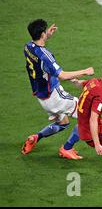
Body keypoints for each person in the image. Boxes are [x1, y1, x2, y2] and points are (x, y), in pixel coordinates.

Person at [22, 19, 94, 159]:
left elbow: (38, 52)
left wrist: (46, 35)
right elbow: (62, 75)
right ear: (41, 34)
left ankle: (36, 137)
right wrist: (85, 71)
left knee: (63, 123)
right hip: (54, 96)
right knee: (87, 116)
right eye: (45, 31)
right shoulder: (45, 56)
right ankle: (67, 148)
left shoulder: (28, 47)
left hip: (42, 97)